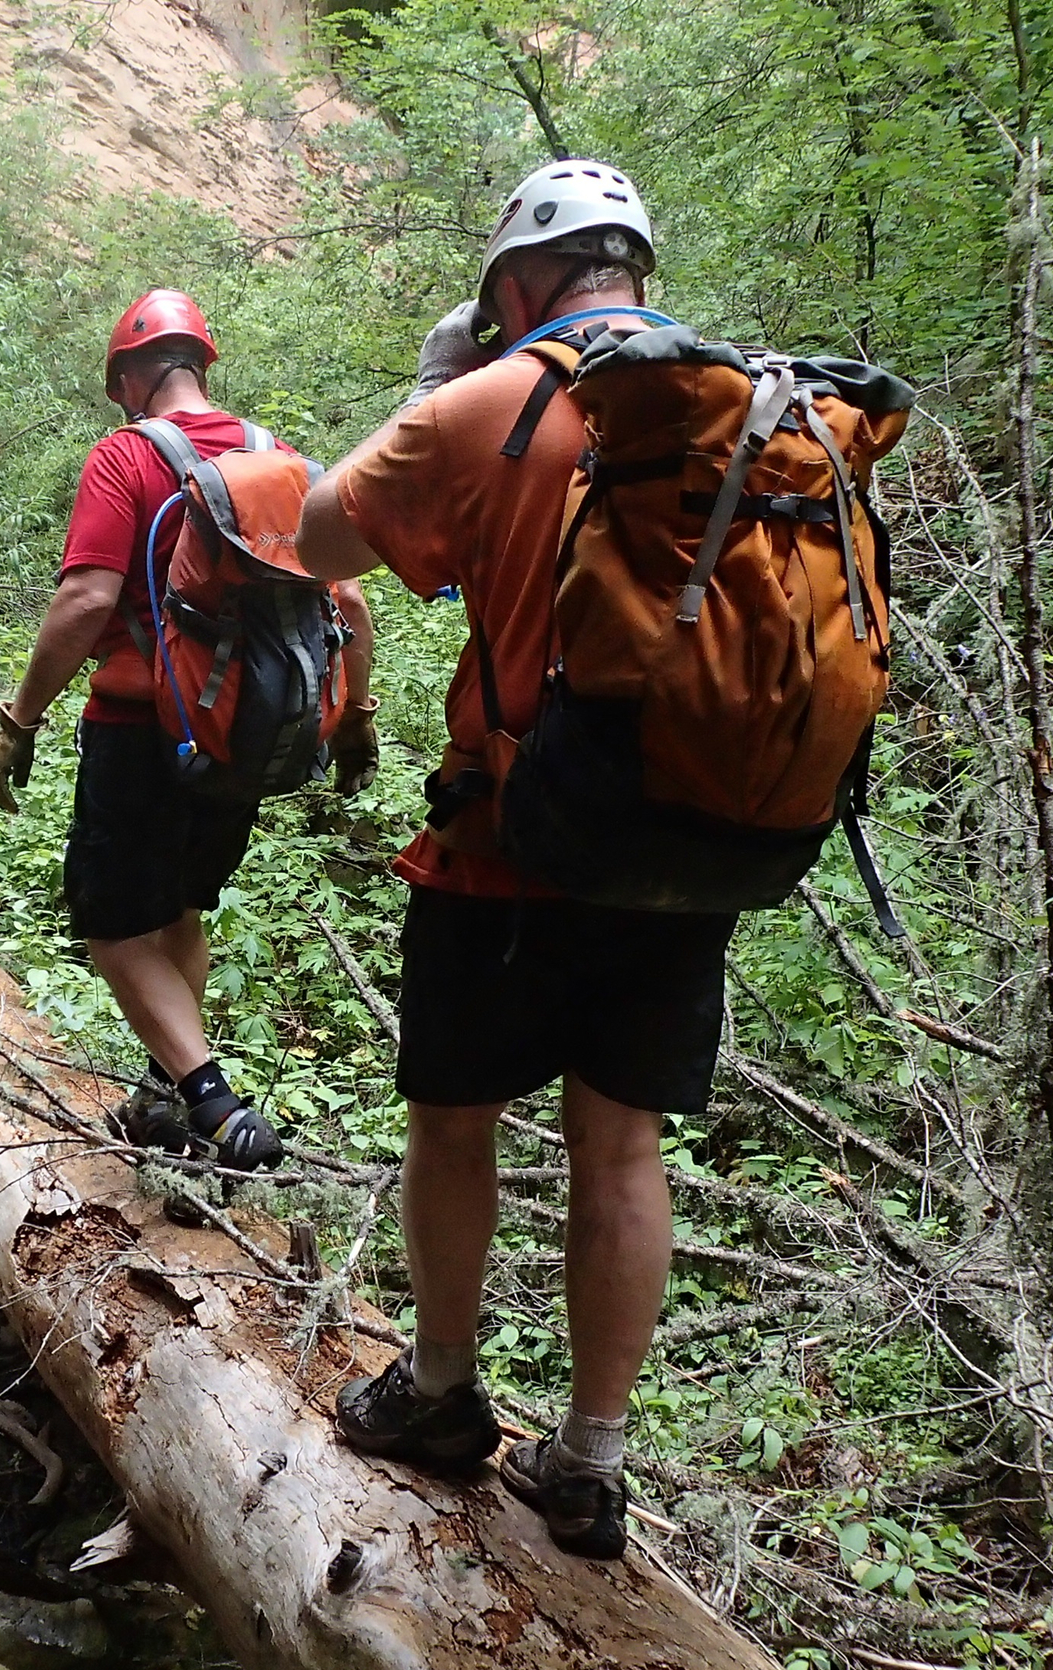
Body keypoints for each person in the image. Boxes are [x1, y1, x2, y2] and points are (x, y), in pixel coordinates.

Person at [293, 163, 729, 1562]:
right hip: (687, 844)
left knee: (456, 1116)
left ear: (519, 286)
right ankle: (592, 1461)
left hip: (508, 842)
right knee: (621, 1146)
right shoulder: (737, 402)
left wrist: (431, 389)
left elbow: (314, 538)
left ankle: (437, 1391)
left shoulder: (494, 401)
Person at [0, 289, 378, 1171]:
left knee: (115, 929)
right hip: (239, 738)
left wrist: (20, 720)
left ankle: (211, 1105)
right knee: (180, 915)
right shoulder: (278, 459)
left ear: (132, 375)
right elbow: (346, 597)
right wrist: (354, 716)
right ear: (200, 363)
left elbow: (87, 598)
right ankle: (163, 1099)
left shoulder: (125, 457)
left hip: (137, 732)